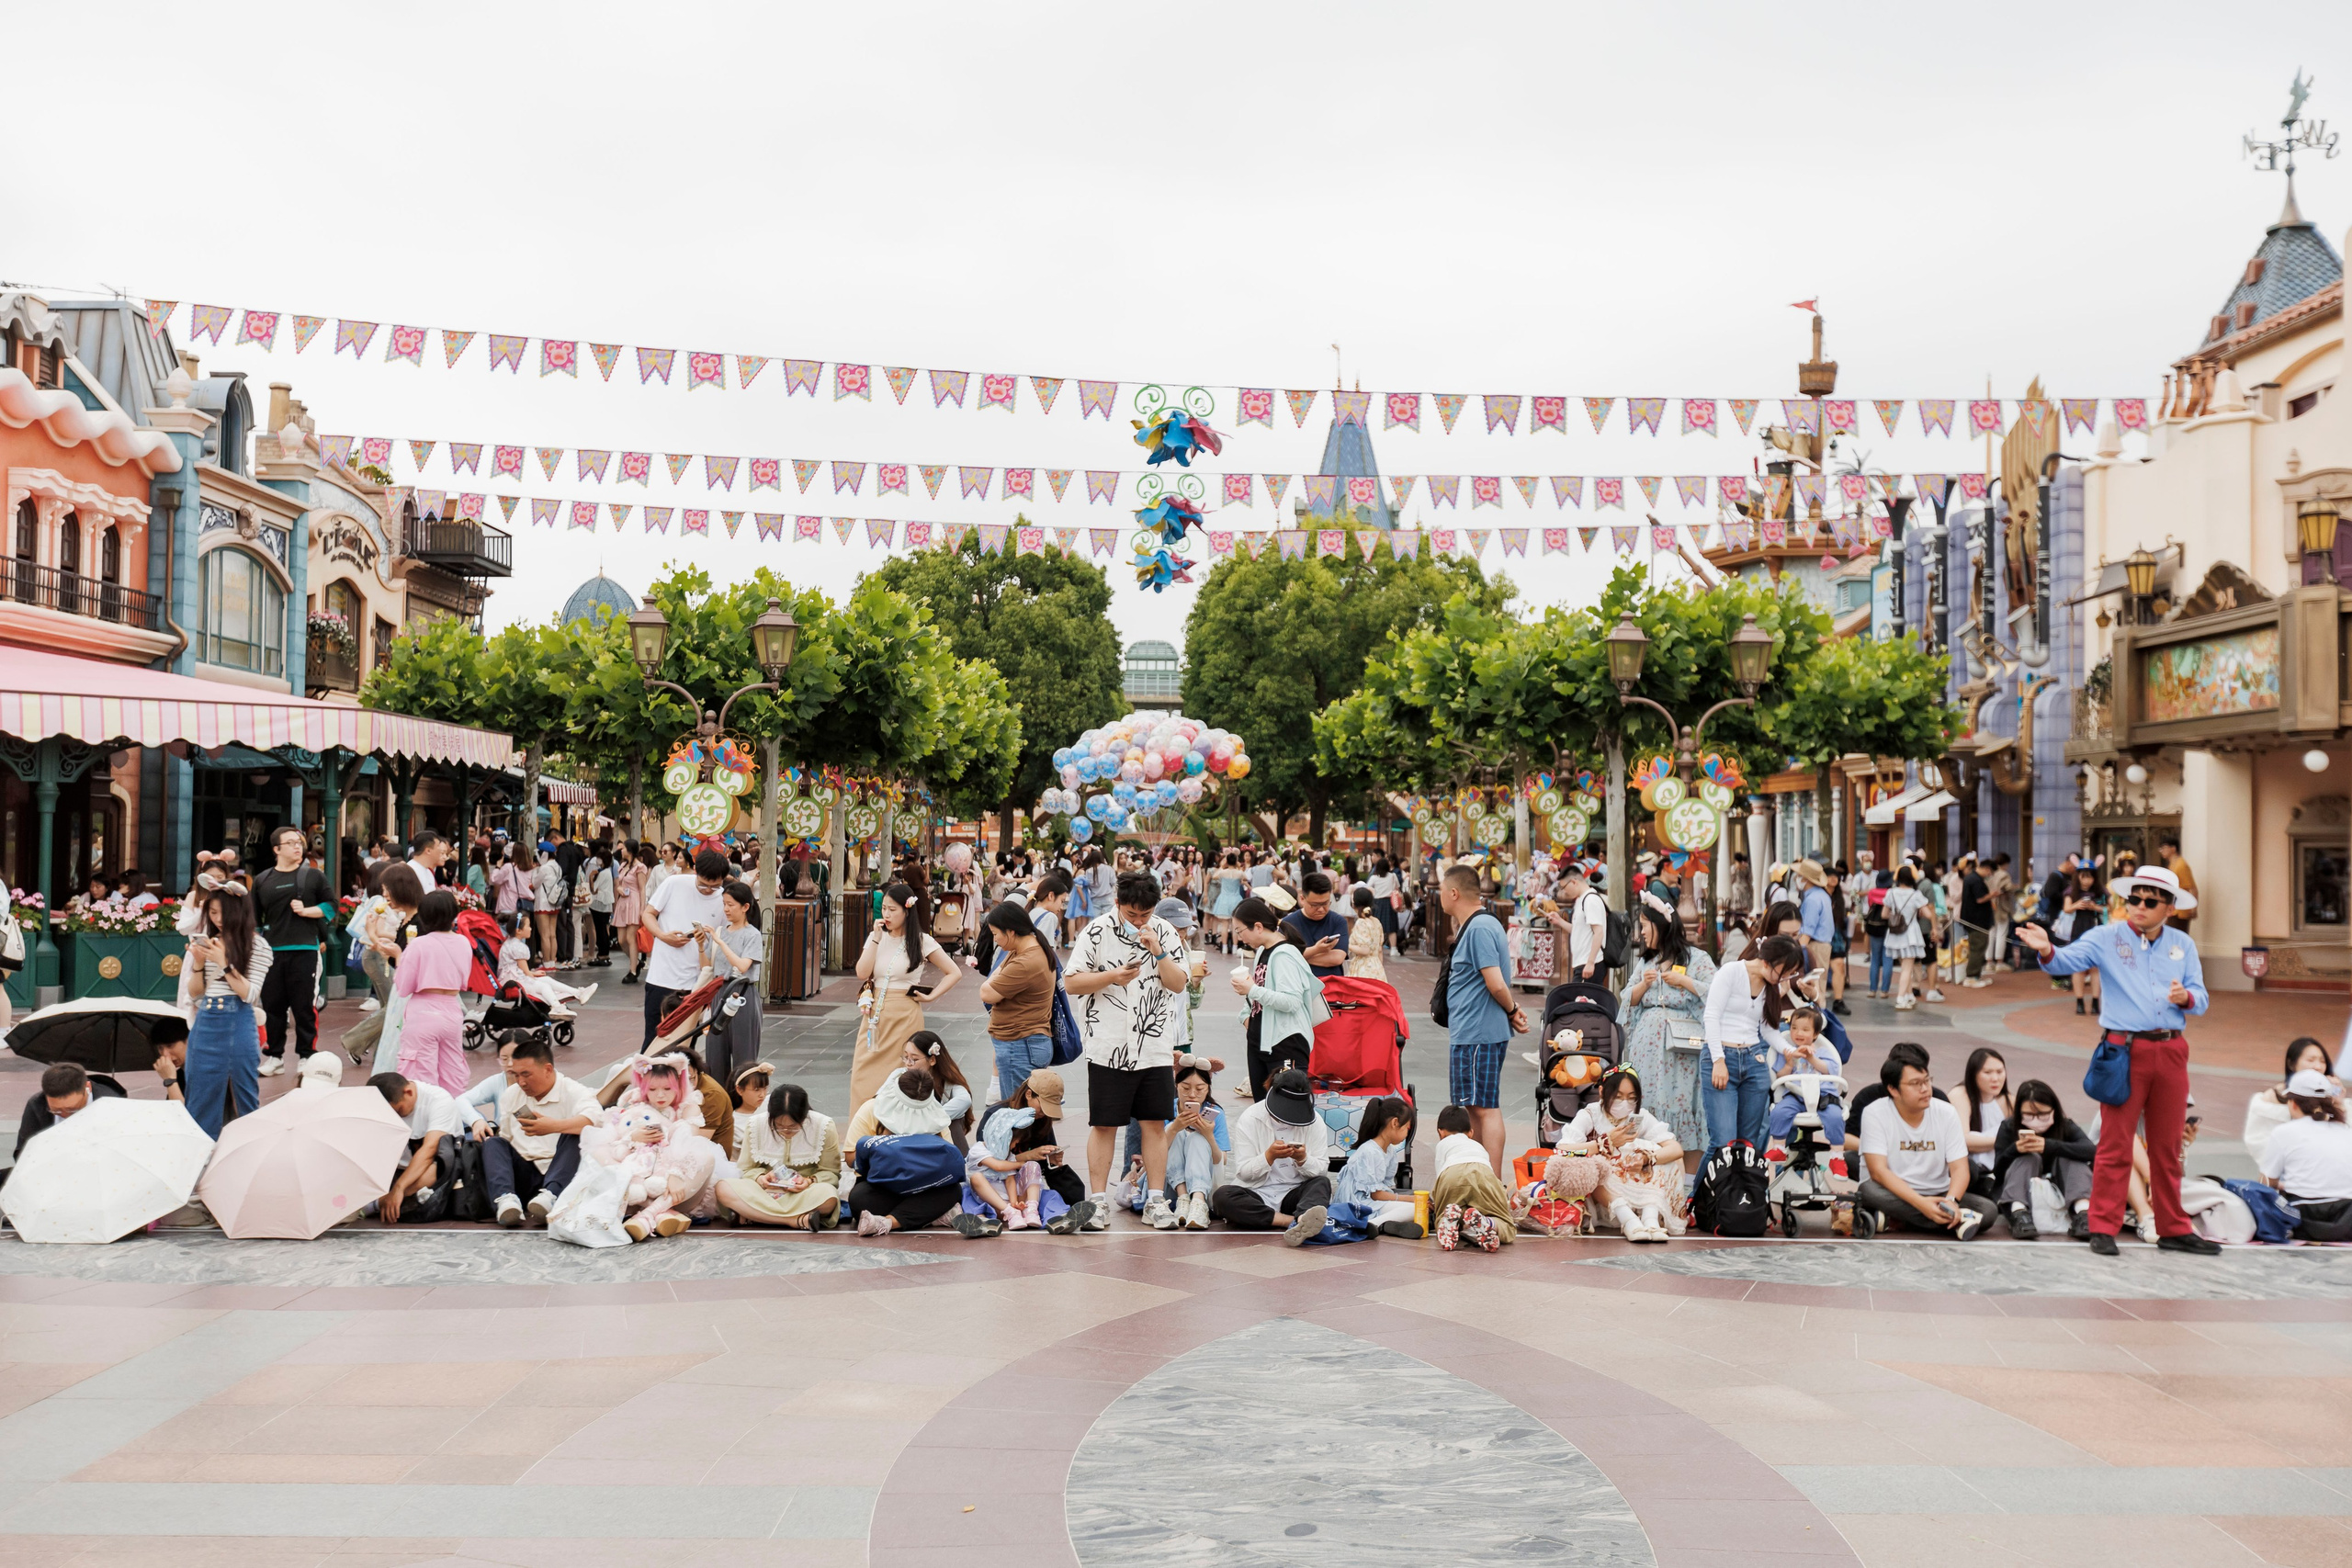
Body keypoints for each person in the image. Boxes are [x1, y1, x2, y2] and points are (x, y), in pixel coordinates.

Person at [2014, 863, 2217, 1258]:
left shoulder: (2183, 945)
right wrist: (2045, 949)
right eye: (2133, 899)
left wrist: (2186, 998)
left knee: (2167, 1145)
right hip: (2124, 1051)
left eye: (2149, 901)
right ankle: (2102, 1226)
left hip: (2172, 1050)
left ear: (2169, 908)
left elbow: (2202, 997)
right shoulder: (2106, 937)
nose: (2138, 906)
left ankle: (2174, 1226)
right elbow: (2065, 961)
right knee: (2115, 1143)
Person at [1067, 871, 1191, 1231]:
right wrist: (1111, 977)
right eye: (1133, 914)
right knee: (1104, 1124)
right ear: (1118, 903)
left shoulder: (1164, 931)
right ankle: (1097, 1201)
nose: (1140, 921)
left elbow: (1179, 983)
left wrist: (1159, 950)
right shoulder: (1096, 931)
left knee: (1154, 1122)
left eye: (1146, 914)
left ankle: (1155, 1200)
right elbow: (1072, 982)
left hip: (1153, 1046)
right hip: (1108, 1046)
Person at [1435, 864, 1526, 1176]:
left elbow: (1495, 982)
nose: (1440, 896)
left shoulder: (1479, 928)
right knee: (1475, 1106)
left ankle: (1493, 1180)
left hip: (1478, 1031)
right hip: (1473, 1030)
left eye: (1441, 890)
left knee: (1485, 1108)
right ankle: (1482, 1173)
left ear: (1454, 893)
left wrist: (1513, 1010)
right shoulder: (1476, 925)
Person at [1857, 1041, 1993, 1239]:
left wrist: (1951, 1201)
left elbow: (1960, 1168)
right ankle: (1956, 1222)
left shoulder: (1946, 1112)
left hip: (1939, 1192)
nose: (1925, 1089)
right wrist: (1921, 1205)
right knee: (1868, 1190)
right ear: (1893, 1089)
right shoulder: (1875, 1113)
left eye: (1927, 1081)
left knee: (1988, 1210)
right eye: (1915, 1084)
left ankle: (1899, 1220)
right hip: (1894, 1193)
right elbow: (1878, 1172)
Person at [1617, 891, 1713, 1168]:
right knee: (1648, 1108)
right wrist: (1644, 985)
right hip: (1648, 1054)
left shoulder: (1698, 959)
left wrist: (1685, 983)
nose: (1642, 932)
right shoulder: (1647, 962)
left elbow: (1716, 995)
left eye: (1645, 925)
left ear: (1660, 926)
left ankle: (1687, 1186)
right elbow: (1627, 1000)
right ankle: (1651, 1176)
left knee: (1685, 1109)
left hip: (1682, 1052)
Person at [850, 879, 961, 1111]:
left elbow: (954, 972)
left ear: (906, 910)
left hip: (905, 1015)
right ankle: (862, 1134)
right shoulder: (876, 937)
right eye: (884, 909)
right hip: (874, 1018)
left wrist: (931, 997)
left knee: (901, 1076)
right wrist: (875, 938)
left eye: (893, 910)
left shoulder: (921, 941)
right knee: (862, 1074)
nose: (887, 915)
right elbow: (862, 972)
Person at [1699, 934, 1806, 1153]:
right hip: (1721, 1056)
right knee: (1723, 1144)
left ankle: (1741, 1188)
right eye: (1783, 972)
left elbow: (1768, 1030)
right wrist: (1718, 1060)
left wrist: (1790, 1050)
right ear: (1767, 962)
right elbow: (1711, 1016)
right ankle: (1701, 1189)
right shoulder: (1731, 972)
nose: (1785, 978)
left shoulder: (1771, 986)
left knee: (1749, 1144)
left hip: (1754, 1061)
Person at [842, 1066, 979, 1236]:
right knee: (859, 1199)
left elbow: (948, 1158)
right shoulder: (872, 1108)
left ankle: (887, 1222)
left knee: (952, 1191)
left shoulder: (934, 1115)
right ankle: (931, 1216)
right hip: (882, 1185)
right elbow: (850, 1158)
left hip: (925, 1183)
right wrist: (881, 1147)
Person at [177, 885, 269, 1137]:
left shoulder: (257, 946)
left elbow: (249, 995)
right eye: (213, 913)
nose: (217, 920)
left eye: (222, 913)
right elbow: (196, 996)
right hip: (205, 1024)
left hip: (237, 1022)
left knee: (244, 1098)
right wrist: (198, 962)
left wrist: (223, 963)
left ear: (238, 912)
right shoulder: (210, 942)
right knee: (199, 1098)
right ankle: (202, 1158)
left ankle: (246, 1155)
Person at [1555, 1066, 1687, 1240]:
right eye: (1618, 1097)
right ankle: (1628, 1219)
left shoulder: (1640, 1116)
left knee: (1664, 1155)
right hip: (1604, 1192)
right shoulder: (1590, 1114)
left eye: (1631, 1098)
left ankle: (1650, 1217)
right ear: (1602, 1091)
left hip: (1635, 1181)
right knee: (1592, 1163)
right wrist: (1604, 1144)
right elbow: (1562, 1149)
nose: (1625, 1103)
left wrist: (1647, 1158)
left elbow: (1675, 1149)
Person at [481, 1034, 598, 1226]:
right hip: (527, 1172)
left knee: (577, 1133)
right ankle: (506, 1200)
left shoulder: (574, 1091)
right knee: (493, 1143)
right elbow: (506, 1139)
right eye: (516, 1075)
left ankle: (551, 1197)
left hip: (562, 1172)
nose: (521, 1082)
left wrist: (553, 1126)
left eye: (526, 1074)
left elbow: (594, 1121)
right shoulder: (512, 1095)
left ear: (548, 1069)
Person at [1209, 1066, 1329, 1242]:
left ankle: (1304, 1217)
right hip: (1258, 1193)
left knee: (1321, 1183)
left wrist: (1303, 1159)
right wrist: (1269, 1157)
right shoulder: (1250, 1118)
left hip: (1294, 1194)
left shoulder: (1315, 1121)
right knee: (1222, 1196)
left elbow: (1321, 1170)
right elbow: (1243, 1172)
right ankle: (1293, 1222)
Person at [248, 826, 330, 1077]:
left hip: (304, 949)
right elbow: (254, 919)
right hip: (272, 952)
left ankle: (307, 1055)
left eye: (300, 842)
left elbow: (331, 907)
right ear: (276, 849)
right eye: (291, 842)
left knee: (304, 1005)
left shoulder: (313, 877)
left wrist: (307, 911)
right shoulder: (262, 880)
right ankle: (275, 1057)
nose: (298, 846)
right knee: (273, 1006)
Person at [1230, 896, 1323, 1101]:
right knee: (1263, 1108)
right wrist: (1246, 1016)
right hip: (1260, 1041)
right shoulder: (1263, 951)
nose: (1240, 937)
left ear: (1258, 926)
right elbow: (1260, 993)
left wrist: (1251, 989)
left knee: (1286, 1108)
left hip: (1285, 1044)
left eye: (1240, 931)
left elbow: (1291, 1002)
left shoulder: (1284, 955)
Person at [639, 848, 727, 1048]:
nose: (708, 890)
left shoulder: (724, 899)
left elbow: (721, 941)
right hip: (661, 978)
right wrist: (663, 936)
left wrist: (706, 940)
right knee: (654, 1039)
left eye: (715, 887)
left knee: (687, 1044)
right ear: (695, 870)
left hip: (695, 984)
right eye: (704, 885)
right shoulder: (674, 883)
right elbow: (648, 914)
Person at [1991, 1078, 2096, 1240]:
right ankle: (2019, 1214)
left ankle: (2083, 1213)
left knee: (2073, 1158)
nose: (2036, 1119)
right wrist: (2015, 1150)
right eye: (2029, 1114)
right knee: (2028, 1157)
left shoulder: (2064, 1126)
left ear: (2053, 1110)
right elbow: (1998, 1170)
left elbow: (2090, 1151)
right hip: (2021, 1190)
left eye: (2042, 1114)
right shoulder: (2009, 1127)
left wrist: (2050, 1146)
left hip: (2061, 1191)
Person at [390, 890, 472, 1097]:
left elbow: (403, 986)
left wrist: (399, 957)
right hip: (452, 1010)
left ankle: (424, 1121)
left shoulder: (419, 944)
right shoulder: (464, 943)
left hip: (424, 1012)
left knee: (419, 1073)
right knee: (452, 1071)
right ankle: (452, 1117)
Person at [980, 899, 1058, 1102]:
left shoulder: (1026, 961)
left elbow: (986, 993)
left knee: (1021, 1115)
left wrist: (994, 978)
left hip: (1020, 1046)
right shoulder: (1027, 949)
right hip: (1024, 1043)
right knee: (1027, 1113)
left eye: (996, 933)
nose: (995, 939)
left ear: (1011, 932)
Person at [2256, 1071, 2352, 1234]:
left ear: (2293, 1103)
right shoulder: (2345, 1131)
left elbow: (2266, 1183)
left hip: (2302, 1216)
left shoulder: (2284, 1132)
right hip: (2346, 1218)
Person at [369, 1070, 464, 1224]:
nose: (396, 1117)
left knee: (437, 1166)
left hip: (432, 1168)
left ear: (409, 1092)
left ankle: (379, 1204)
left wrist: (399, 1188)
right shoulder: (383, 1107)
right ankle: (386, 1202)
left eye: (398, 1111)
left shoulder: (439, 1100)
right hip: (398, 1170)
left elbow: (430, 1150)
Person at [1764, 1007, 1846, 1176]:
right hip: (1796, 1095)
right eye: (1794, 1028)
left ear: (1815, 1034)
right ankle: (1779, 1147)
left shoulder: (1823, 1052)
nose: (1798, 1032)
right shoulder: (1787, 1052)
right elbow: (1779, 1076)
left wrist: (1811, 1058)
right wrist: (1789, 1063)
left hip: (1823, 1095)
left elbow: (1830, 1070)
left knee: (1835, 1116)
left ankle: (1837, 1156)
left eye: (1805, 1029)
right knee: (1779, 1111)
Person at [1329, 1097, 1424, 1239]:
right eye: (1407, 1128)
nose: (1406, 1134)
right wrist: (1410, 1199)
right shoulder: (1370, 1151)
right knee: (1414, 1208)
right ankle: (1369, 1225)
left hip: (1375, 1202)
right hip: (1359, 1204)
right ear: (1395, 1123)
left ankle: (1383, 1225)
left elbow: (1386, 1189)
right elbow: (1376, 1195)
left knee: (1419, 1209)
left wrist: (1407, 1199)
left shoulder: (1389, 1151)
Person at [2244, 1039, 2346, 1163]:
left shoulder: (2331, 1096)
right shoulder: (2273, 1097)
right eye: (2310, 1060)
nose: (2318, 1067)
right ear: (2292, 1064)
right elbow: (2259, 1142)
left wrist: (2339, 1103)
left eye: (2323, 1061)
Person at [705, 880, 765, 1086]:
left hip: (743, 994)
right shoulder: (720, 931)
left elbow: (742, 966)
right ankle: (719, 1101)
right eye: (724, 904)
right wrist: (700, 944)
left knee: (744, 1055)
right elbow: (707, 965)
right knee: (715, 1053)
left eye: (731, 905)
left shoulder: (752, 934)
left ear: (745, 907)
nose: (726, 909)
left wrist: (720, 942)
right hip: (719, 992)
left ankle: (742, 1103)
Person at [1428, 1104, 1511, 1251]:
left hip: (1451, 1173)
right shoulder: (1476, 1146)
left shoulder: (1442, 1145)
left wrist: (1435, 1201)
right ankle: (1487, 1222)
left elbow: (1440, 1178)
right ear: (1471, 1133)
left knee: (1446, 1211)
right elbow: (1492, 1176)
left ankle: (1448, 1222)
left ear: (1440, 1133)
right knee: (1506, 1224)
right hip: (1483, 1172)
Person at [1159, 1060, 1227, 1230]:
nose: (1192, 1094)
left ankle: (1198, 1201)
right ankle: (1183, 1199)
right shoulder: (1165, 1108)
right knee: (1176, 1132)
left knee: (1197, 1138)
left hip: (1205, 1185)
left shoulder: (1215, 1113)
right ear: (1176, 1085)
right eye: (1186, 1087)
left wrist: (1208, 1135)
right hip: (1169, 1186)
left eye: (1199, 1089)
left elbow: (1221, 1160)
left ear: (1208, 1088)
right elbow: (1153, 1153)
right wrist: (1174, 1128)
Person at [14, 1061, 127, 1158]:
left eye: (72, 1110)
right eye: (56, 1111)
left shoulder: (112, 1105)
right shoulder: (38, 1105)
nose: (65, 1115)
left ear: (88, 1088)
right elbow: (24, 1152)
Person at [497, 930, 595, 1019]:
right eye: (528, 926)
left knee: (546, 980)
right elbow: (526, 972)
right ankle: (556, 1007)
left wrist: (533, 974)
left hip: (513, 979)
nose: (531, 928)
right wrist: (532, 976)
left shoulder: (510, 943)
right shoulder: (517, 947)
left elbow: (519, 969)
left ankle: (578, 993)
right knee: (544, 986)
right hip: (513, 982)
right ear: (518, 931)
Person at [1544, 862, 1610, 983]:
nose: (1564, 892)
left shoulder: (1590, 900)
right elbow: (1579, 930)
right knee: (1580, 1000)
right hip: (1583, 963)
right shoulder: (1582, 900)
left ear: (1574, 882)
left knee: (1581, 1000)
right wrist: (1559, 921)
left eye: (1564, 887)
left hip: (1589, 964)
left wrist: (1590, 963)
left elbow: (1598, 932)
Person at [1958, 1047, 2009, 1201]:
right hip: (1968, 1169)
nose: (1995, 1078)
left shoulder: (2008, 1101)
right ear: (1973, 1074)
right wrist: (2004, 1141)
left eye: (2000, 1072)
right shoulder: (1961, 1094)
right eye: (1987, 1073)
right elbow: (1963, 1140)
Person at [1279, 872, 1349, 978]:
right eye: (1314, 905)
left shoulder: (1338, 921)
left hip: (1331, 986)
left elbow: (1337, 958)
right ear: (1302, 899)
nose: (1321, 909)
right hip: (1298, 985)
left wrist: (1297, 956)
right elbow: (1281, 957)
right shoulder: (1288, 923)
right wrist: (1317, 950)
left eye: (1325, 903)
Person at [1882, 866, 1930, 1010]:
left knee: (1904, 966)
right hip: (1911, 934)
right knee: (1907, 968)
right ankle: (1901, 998)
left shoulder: (1891, 893)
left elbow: (1884, 914)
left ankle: (1909, 995)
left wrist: (1897, 916)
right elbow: (1928, 914)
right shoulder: (1916, 894)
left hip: (1895, 934)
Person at [611, 841, 646, 986]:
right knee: (621, 940)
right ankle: (636, 962)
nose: (621, 850)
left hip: (634, 902)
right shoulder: (622, 865)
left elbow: (643, 889)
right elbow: (619, 884)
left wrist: (643, 909)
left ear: (630, 850)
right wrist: (619, 889)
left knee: (631, 938)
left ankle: (632, 971)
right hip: (623, 902)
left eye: (623, 848)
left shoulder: (640, 867)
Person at [1343, 886, 1388, 981]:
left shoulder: (1361, 922)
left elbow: (1365, 950)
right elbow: (1379, 950)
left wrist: (1348, 945)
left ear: (1354, 904)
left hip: (1363, 968)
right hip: (1377, 967)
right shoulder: (1376, 921)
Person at [2155, 836, 2198, 936]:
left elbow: (2191, 887)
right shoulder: (2172, 864)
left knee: (2177, 938)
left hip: (2181, 910)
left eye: (2164, 848)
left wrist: (2194, 908)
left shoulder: (2181, 865)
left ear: (2173, 849)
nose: (2162, 851)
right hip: (2173, 908)